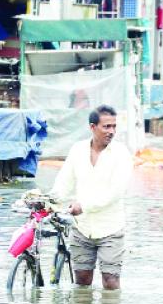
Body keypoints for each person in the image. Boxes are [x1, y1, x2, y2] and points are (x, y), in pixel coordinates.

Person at [50, 105, 133, 290]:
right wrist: (49, 202)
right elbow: (64, 182)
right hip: (81, 227)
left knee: (111, 282)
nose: (111, 131)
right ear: (92, 127)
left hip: (110, 228)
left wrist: (83, 206)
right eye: (106, 127)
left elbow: (115, 193)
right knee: (82, 281)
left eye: (114, 127)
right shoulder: (78, 150)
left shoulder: (121, 154)